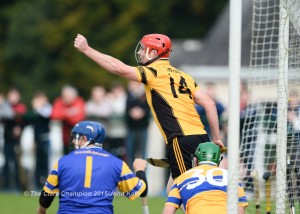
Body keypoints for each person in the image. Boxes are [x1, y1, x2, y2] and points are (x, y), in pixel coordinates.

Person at [74, 33, 224, 187]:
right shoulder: (184, 77)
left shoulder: (153, 72)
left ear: (153, 53)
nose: (139, 52)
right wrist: (216, 138)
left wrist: (87, 50)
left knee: (183, 190)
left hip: (181, 138)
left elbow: (118, 68)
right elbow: (210, 104)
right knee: (174, 188)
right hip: (201, 137)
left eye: (143, 49)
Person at [36, 121, 148, 214]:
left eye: (76, 138)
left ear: (84, 139)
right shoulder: (117, 163)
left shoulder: (62, 162)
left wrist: (41, 210)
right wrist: (140, 169)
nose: (74, 141)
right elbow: (140, 191)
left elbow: (46, 198)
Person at [162, 142, 248, 214]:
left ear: (195, 160)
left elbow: (168, 212)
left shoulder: (181, 179)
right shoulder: (232, 177)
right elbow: (240, 210)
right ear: (219, 161)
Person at [23, 91, 52, 189]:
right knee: (37, 164)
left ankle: (45, 185)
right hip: (37, 140)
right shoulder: (35, 113)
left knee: (44, 163)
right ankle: (37, 185)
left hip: (45, 139)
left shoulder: (47, 109)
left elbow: (46, 114)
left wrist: (38, 107)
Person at [2, 88, 27, 191]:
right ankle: (6, 186)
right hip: (7, 139)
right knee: (7, 162)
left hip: (17, 141)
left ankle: (18, 186)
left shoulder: (21, 107)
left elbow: (21, 118)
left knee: (17, 164)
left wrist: (19, 128)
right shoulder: (5, 107)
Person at [51, 85, 86, 155]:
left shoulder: (79, 101)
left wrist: (64, 114)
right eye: (64, 96)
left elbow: (78, 118)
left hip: (78, 138)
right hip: (65, 138)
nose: (65, 98)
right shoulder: (59, 101)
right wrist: (69, 112)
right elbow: (54, 115)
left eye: (67, 96)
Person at [125, 80, 151, 166]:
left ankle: (142, 173)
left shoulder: (145, 95)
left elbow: (147, 110)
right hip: (131, 128)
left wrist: (140, 113)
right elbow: (127, 110)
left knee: (142, 152)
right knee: (130, 153)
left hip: (142, 128)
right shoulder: (129, 96)